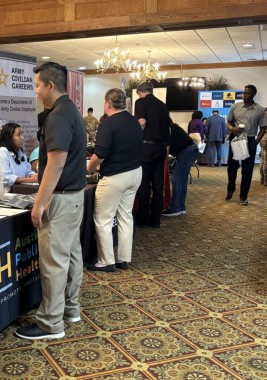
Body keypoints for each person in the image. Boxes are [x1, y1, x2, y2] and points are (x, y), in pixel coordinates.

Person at [16, 62, 86, 340]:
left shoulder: (57, 116)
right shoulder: (70, 110)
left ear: (50, 86)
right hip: (74, 197)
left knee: (55, 262)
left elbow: (56, 163)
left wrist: (39, 203)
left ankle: (50, 323)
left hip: (60, 199)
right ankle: (70, 308)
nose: (35, 91)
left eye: (36, 86)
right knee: (71, 256)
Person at [86, 88, 142, 272]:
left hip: (115, 177)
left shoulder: (108, 124)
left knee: (103, 219)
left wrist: (90, 167)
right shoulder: (133, 121)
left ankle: (106, 261)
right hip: (135, 172)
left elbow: (100, 153)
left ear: (107, 104)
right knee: (125, 215)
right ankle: (123, 259)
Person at [134, 81, 172, 228]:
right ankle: (155, 220)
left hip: (146, 148)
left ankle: (143, 219)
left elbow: (142, 122)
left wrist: (136, 136)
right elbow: (168, 128)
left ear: (141, 92)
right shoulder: (162, 105)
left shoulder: (140, 102)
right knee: (158, 185)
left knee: (144, 184)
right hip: (161, 148)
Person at [224, 84, 267, 206]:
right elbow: (228, 121)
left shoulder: (260, 109)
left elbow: (263, 128)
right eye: (243, 93)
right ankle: (230, 188)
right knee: (231, 168)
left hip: (250, 140)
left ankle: (244, 196)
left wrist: (256, 142)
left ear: (253, 94)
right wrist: (232, 128)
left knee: (247, 170)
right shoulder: (235, 106)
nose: (244, 95)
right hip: (236, 138)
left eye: (247, 93)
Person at [162, 123, 199, 216]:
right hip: (190, 151)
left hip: (186, 153)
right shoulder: (171, 127)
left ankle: (174, 208)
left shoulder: (166, 129)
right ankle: (180, 207)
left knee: (176, 179)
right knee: (181, 181)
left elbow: (166, 150)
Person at [0, 122, 38, 190]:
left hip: (20, 191)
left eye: (22, 134)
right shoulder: (2, 152)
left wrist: (33, 175)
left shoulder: (20, 152)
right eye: (19, 135)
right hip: (7, 194)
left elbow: (27, 171)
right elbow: (5, 178)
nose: (23, 138)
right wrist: (30, 180)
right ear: (9, 138)